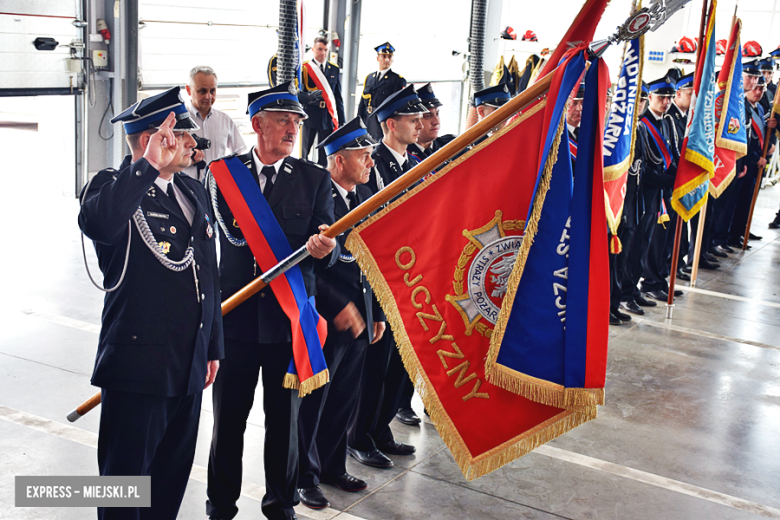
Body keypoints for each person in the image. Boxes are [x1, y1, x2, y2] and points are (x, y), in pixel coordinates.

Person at [78, 87, 224, 520]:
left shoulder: (193, 193)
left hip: (189, 364)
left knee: (168, 482)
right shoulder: (110, 186)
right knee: (125, 488)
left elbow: (208, 275)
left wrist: (212, 346)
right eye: (181, 134)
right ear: (151, 140)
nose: (192, 143)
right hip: (139, 367)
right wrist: (145, 168)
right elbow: (101, 223)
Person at [205, 81, 339, 520]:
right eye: (283, 120)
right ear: (257, 123)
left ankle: (280, 504)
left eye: (297, 121)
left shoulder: (314, 179)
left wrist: (326, 249)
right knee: (229, 424)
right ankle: (221, 504)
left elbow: (330, 240)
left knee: (284, 425)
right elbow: (209, 248)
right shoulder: (223, 176)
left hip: (287, 325)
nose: (292, 128)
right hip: (237, 323)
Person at [296, 117, 387, 510]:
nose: (370, 162)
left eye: (369, 154)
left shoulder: (362, 193)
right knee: (314, 403)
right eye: (362, 155)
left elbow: (371, 259)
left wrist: (376, 310)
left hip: (360, 317)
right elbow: (308, 266)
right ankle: (304, 476)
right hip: (328, 319)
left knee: (344, 401)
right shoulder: (320, 198)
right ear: (337, 162)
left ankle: (332, 465)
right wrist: (339, 307)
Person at [348, 85, 428, 470]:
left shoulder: (411, 161)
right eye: (412, 120)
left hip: (408, 275)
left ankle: (379, 429)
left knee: (399, 362)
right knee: (374, 366)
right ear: (390, 124)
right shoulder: (373, 163)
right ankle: (358, 435)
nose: (420, 125)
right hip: (381, 276)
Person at [637, 74, 681, 302]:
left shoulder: (667, 121)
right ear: (650, 97)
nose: (666, 102)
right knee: (646, 243)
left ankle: (658, 278)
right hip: (649, 193)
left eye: (670, 98)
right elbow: (646, 168)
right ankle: (649, 281)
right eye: (662, 97)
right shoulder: (643, 124)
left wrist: (680, 178)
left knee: (662, 239)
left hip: (665, 191)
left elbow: (671, 156)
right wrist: (672, 180)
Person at [619, 82, 656, 316]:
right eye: (636, 100)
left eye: (642, 100)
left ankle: (626, 294)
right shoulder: (617, 129)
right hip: (620, 201)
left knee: (633, 252)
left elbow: (646, 166)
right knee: (618, 256)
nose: (639, 105)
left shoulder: (641, 128)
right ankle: (617, 298)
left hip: (637, 201)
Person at [182, 66, 247, 181]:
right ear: (188, 90)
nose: (208, 96)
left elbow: (239, 154)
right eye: (202, 91)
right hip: (185, 192)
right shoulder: (177, 122)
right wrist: (186, 157)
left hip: (218, 190)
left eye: (212, 91)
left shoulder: (225, 120)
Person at [300, 36, 346, 166]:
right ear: (313, 49)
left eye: (326, 50)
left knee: (324, 154)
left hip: (327, 116)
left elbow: (338, 97)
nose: (323, 53)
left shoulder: (334, 69)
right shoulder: (305, 68)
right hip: (310, 114)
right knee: (305, 152)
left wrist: (342, 121)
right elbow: (300, 93)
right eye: (320, 49)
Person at [358, 42, 407, 140]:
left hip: (383, 121)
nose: (387, 59)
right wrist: (359, 121)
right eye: (383, 56)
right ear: (377, 58)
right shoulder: (370, 78)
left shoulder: (397, 80)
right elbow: (363, 102)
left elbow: (398, 106)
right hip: (368, 119)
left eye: (389, 56)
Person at [407, 83, 456, 161]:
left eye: (437, 114)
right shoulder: (405, 155)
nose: (436, 122)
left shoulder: (451, 145)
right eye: (428, 116)